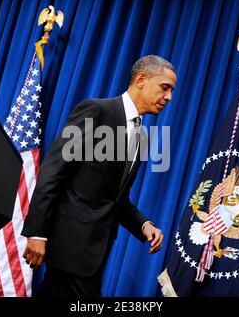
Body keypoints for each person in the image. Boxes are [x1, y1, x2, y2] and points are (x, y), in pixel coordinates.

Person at [21, 55, 177, 297]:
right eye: (165, 88)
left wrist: (144, 225)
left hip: (94, 253)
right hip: (69, 245)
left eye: (171, 90)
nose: (169, 97)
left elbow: (116, 199)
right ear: (141, 80)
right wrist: (36, 232)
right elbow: (54, 171)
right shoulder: (96, 111)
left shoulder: (140, 135)